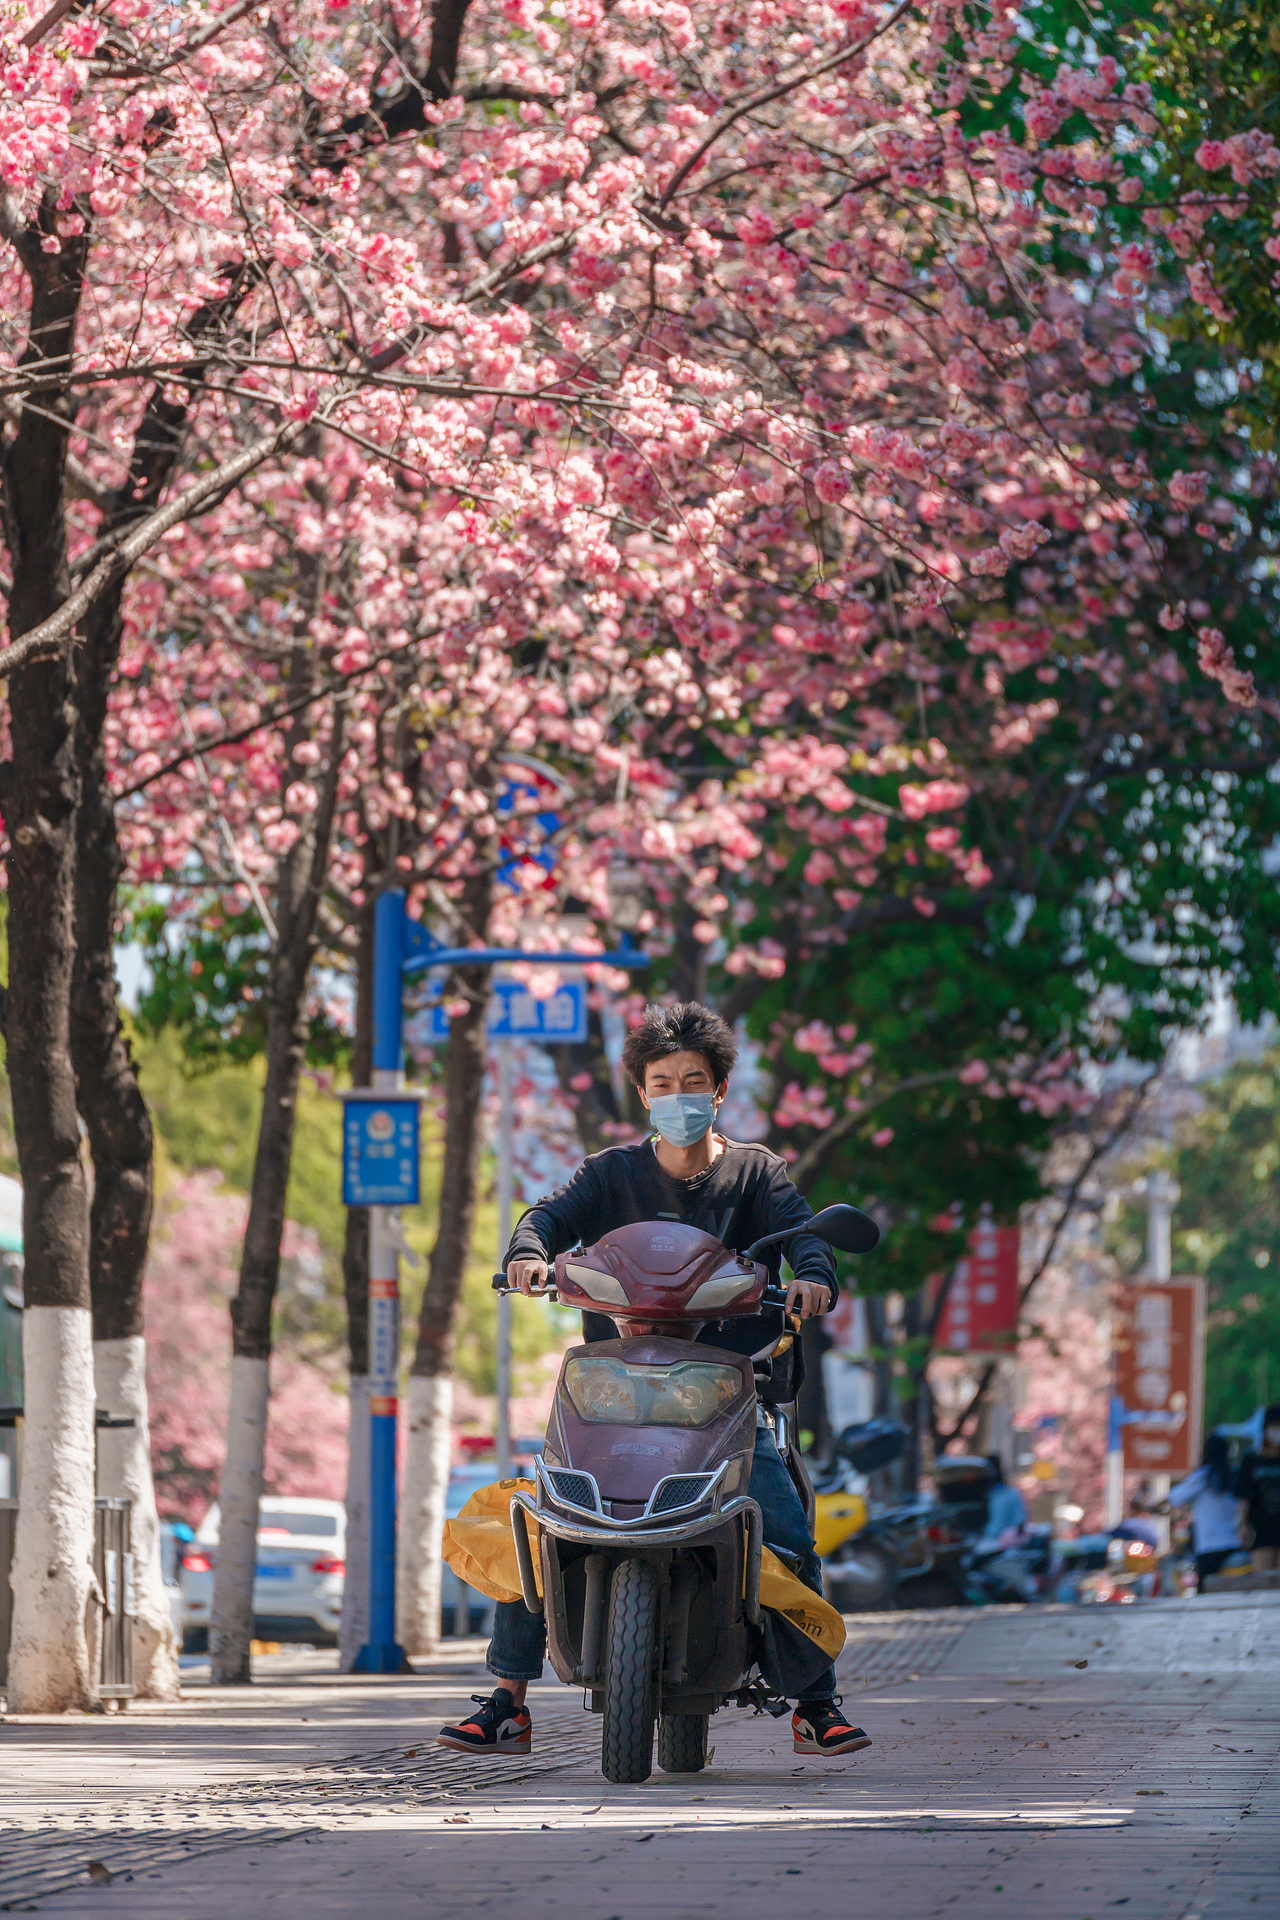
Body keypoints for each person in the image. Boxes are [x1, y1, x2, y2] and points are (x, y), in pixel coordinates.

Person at [438, 1000, 872, 1759]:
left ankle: (815, 1702)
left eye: (693, 1081)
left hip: (726, 1392)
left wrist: (812, 1275)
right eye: (663, 1082)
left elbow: (806, 1238)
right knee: (541, 1514)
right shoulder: (609, 1175)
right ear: (643, 1092)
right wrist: (528, 1251)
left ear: (720, 1090)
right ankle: (508, 1698)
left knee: (788, 1532)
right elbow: (546, 1216)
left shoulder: (756, 1173)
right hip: (615, 1394)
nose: (678, 1096)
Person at [1170, 1433, 1242, 1590]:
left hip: (1209, 1547)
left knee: (1204, 1593)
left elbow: (1175, 1497)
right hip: (1235, 1543)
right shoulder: (1234, 1476)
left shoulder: (1203, 1476)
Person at [1234, 1402, 1280, 1574]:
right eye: (1274, 1427)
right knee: (1263, 1576)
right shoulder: (1252, 1460)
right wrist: (1241, 1525)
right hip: (1260, 1527)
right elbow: (1244, 1495)